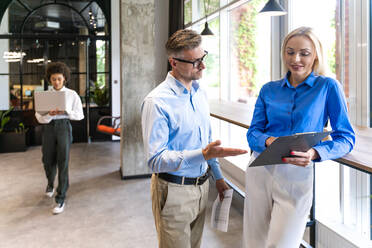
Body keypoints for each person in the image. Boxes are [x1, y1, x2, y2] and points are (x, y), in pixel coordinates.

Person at [243, 26, 355, 248]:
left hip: (297, 171)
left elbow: (346, 138)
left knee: (283, 244)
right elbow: (253, 132)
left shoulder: (328, 87)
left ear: (315, 56)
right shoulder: (269, 89)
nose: (296, 59)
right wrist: (267, 141)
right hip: (260, 167)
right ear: (283, 53)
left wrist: (316, 152)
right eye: (290, 51)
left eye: (304, 53)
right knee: (254, 242)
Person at [141, 29, 247, 248]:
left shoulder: (199, 93)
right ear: (174, 62)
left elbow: (206, 141)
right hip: (173, 192)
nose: (203, 66)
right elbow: (154, 159)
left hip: (202, 186)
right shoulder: (157, 102)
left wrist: (217, 177)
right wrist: (202, 154)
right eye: (195, 61)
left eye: (203, 57)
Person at [35, 62, 84, 215]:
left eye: (59, 79)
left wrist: (66, 111)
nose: (56, 82)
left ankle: (60, 198)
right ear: (50, 80)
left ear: (64, 79)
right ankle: (50, 183)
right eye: (53, 79)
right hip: (49, 128)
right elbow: (39, 117)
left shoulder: (71, 95)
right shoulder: (44, 96)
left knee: (63, 161)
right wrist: (50, 114)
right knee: (47, 160)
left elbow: (80, 115)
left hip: (64, 127)